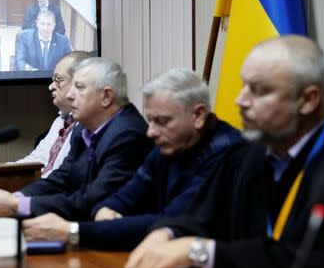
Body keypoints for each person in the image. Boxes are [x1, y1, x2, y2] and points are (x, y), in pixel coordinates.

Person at [125, 35, 324, 268]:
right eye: (243, 85)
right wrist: (165, 233)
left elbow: (315, 267)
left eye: (258, 90)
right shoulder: (248, 154)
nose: (240, 100)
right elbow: (200, 216)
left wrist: (199, 252)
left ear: (308, 100)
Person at [20, 68, 244, 250]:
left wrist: (73, 231)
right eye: (151, 120)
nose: (151, 131)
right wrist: (106, 209)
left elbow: (173, 220)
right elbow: (128, 194)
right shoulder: (168, 143)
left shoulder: (227, 151)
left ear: (197, 115)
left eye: (162, 121)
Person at [0, 57, 153, 220]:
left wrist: (18, 205)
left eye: (80, 88)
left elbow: (94, 199)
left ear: (106, 96)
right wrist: (16, 197)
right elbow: (62, 177)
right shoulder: (83, 129)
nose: (70, 95)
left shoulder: (128, 135)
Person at [16, 50, 91, 177]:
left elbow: (64, 178)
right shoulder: (60, 121)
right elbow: (37, 160)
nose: (51, 86)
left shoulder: (89, 127)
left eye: (58, 80)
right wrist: (0, 173)